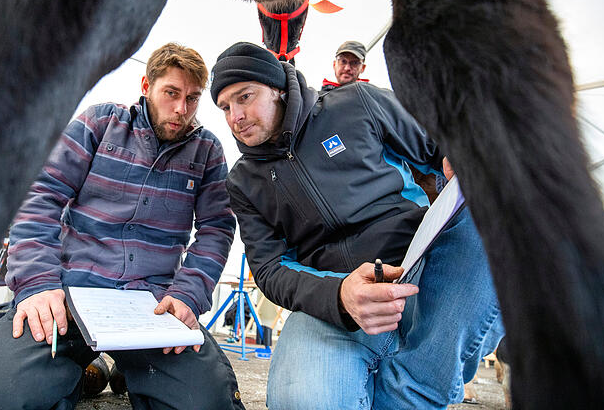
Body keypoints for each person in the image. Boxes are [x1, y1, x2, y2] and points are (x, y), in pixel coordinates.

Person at [212, 41, 504, 409]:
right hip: (336, 305)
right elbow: (269, 270)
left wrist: (456, 154)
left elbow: (436, 145)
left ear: (278, 88)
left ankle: (415, 389)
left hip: (422, 267)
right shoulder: (242, 183)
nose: (235, 116)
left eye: (244, 97)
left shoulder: (357, 103)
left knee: (501, 202)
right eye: (224, 107)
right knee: (303, 401)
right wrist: (340, 296)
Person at [0, 43, 244, 410]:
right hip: (69, 295)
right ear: (146, 85)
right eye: (171, 93)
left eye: (192, 99)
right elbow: (41, 195)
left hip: (152, 306)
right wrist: (37, 283)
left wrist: (188, 294)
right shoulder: (100, 123)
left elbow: (216, 229)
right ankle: (85, 365)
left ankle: (134, 367)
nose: (181, 109)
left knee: (209, 404)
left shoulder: (207, 151)